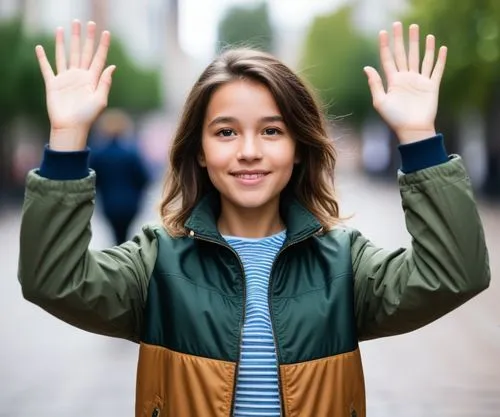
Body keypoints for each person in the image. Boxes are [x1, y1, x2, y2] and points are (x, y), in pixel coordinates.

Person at [18, 19, 490, 417]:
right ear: (199, 152)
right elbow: (52, 279)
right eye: (225, 132)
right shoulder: (156, 264)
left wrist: (419, 136)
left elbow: (452, 274)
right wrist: (67, 135)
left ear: (299, 148)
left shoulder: (346, 264)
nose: (248, 152)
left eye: (271, 131)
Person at [90, 109, 150, 245]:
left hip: (109, 203)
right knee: (124, 233)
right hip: (130, 203)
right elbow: (143, 178)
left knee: (115, 234)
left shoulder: (98, 154)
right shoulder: (131, 153)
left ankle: (118, 251)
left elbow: (93, 180)